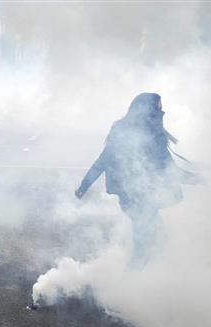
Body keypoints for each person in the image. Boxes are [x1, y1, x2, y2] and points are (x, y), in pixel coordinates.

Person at [75, 93, 202, 269]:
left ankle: (143, 283)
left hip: (133, 200)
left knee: (155, 240)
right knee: (147, 246)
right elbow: (171, 171)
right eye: (158, 107)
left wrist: (83, 187)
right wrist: (198, 180)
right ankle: (129, 288)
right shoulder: (150, 134)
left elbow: (101, 162)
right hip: (140, 199)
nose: (161, 111)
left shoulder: (123, 129)